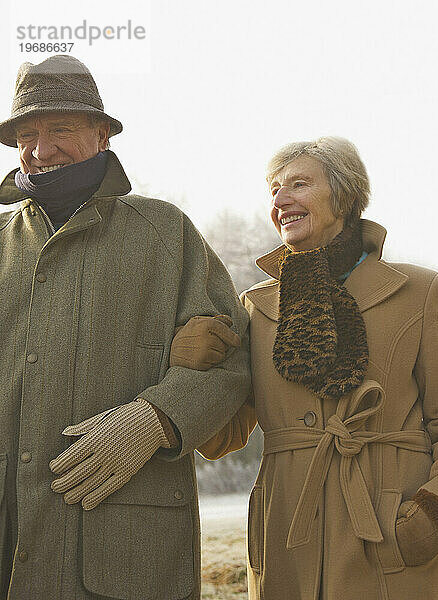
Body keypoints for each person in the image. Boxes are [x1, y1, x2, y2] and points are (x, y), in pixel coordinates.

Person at [171, 137, 438, 600]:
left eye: (298, 184)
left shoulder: (419, 292)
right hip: (285, 538)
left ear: (342, 195)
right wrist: (187, 367)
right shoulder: (255, 308)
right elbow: (224, 437)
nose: (281, 200)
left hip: (388, 535)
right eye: (274, 189)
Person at [0, 54, 250, 600]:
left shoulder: (165, 234)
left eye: (61, 129)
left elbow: (232, 360)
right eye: (27, 134)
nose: (41, 150)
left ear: (102, 136)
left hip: (127, 554)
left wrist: (157, 418)